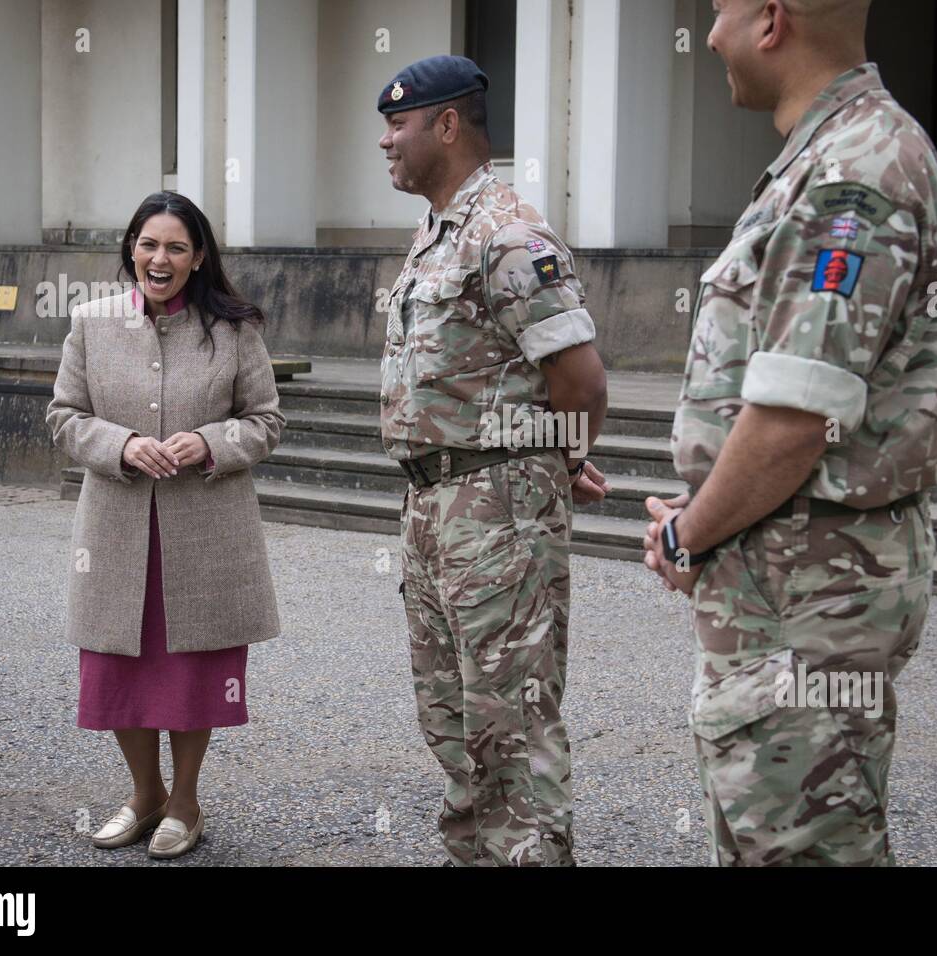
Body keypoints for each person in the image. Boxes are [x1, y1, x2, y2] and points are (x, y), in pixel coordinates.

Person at [642, 0, 937, 866]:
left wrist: (686, 532)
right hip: (787, 570)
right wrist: (709, 507)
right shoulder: (830, 156)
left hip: (808, 591)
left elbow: (793, 418)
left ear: (771, 21)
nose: (709, 36)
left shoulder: (852, 173)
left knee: (803, 846)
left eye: (719, 13)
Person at [377, 55, 610, 866]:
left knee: (511, 721)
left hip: (496, 511)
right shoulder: (438, 231)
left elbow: (579, 380)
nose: (385, 142)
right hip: (435, 507)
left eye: (398, 124)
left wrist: (553, 466)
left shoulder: (509, 235)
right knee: (450, 715)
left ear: (447, 123)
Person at [45, 191, 286, 859]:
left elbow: (265, 421)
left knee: (191, 673)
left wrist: (210, 441)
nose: (161, 258)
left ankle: (186, 802)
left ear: (198, 256)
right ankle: (144, 793)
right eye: (149, 244)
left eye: (177, 247)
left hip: (205, 533)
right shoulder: (91, 323)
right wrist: (119, 445)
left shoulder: (235, 330)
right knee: (119, 669)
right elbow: (65, 416)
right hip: (116, 534)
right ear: (131, 249)